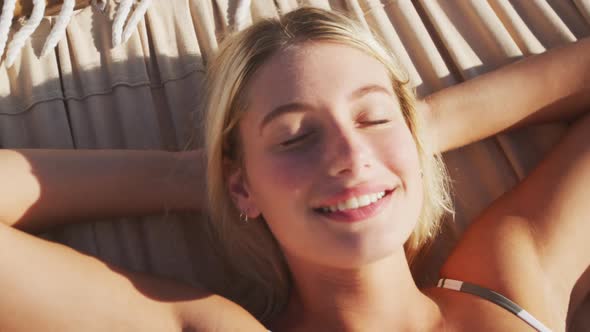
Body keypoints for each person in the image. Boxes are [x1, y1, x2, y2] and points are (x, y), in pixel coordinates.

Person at [0, 7, 589, 331]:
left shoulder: (512, 284)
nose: (349, 156)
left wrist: (417, 128)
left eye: (372, 118)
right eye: (296, 136)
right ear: (242, 184)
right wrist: (195, 178)